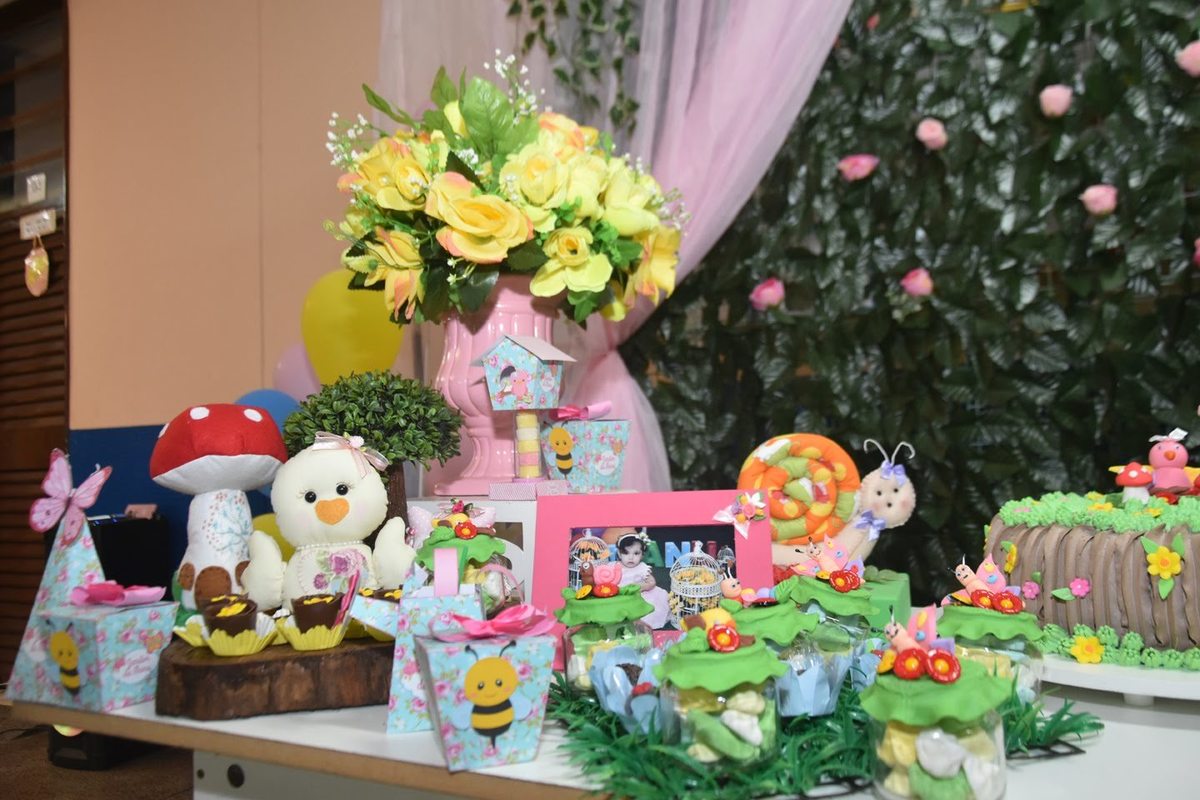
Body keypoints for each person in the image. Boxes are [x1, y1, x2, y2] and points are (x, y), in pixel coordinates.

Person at [611, 529, 670, 628]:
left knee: (647, 610)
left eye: (636, 553)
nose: (631, 557)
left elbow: (652, 582)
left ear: (642, 555)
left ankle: (641, 625)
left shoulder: (642, 568)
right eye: (626, 553)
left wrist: (641, 587)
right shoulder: (614, 566)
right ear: (619, 554)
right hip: (620, 595)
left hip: (639, 595)